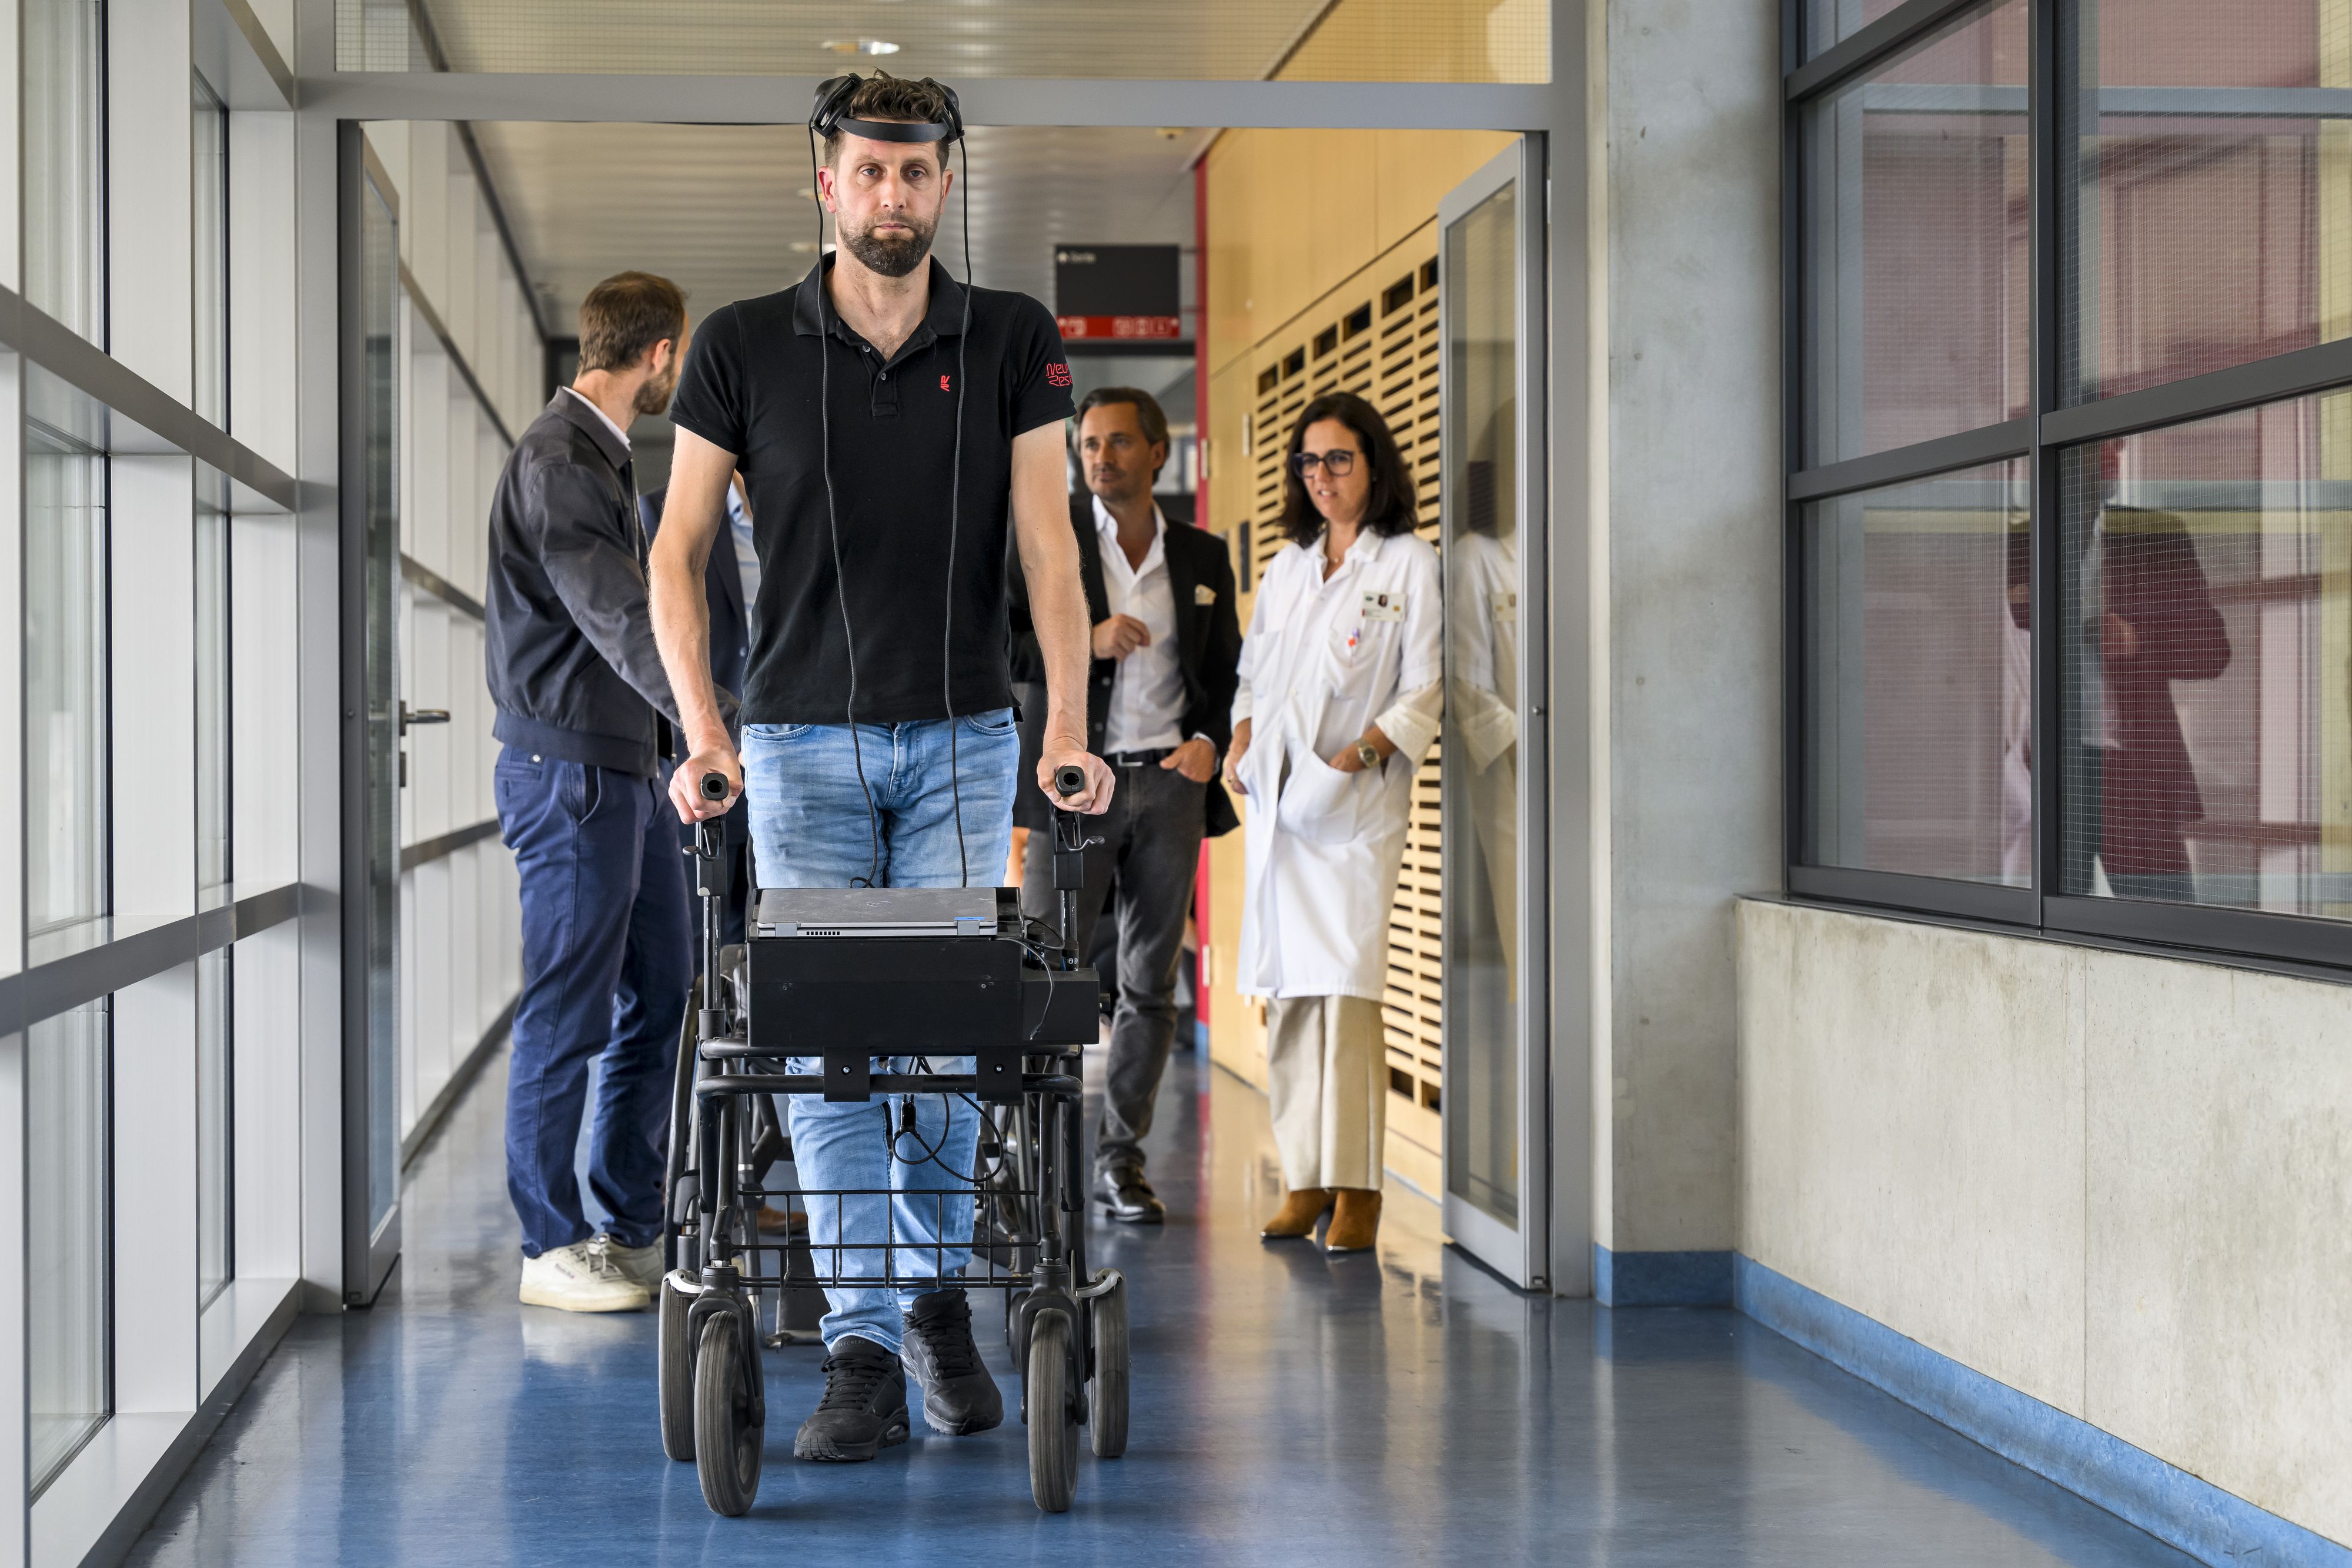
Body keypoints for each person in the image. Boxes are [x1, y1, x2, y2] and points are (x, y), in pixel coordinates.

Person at [648, 72, 1111, 1464]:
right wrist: (703, 733)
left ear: (943, 185)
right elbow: (672, 551)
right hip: (795, 746)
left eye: (915, 174)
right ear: (824, 183)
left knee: (948, 1037)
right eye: (868, 172)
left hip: (968, 738)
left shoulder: (1012, 338)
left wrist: (1070, 730)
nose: (892, 196)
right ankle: (858, 1339)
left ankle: (926, 1306)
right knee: (829, 1045)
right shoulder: (740, 345)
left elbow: (1048, 551)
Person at [486, 270, 707, 1313]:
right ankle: (547, 1243)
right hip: (570, 771)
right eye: (680, 358)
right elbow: (618, 615)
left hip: (629, 772)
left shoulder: (601, 457)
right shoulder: (561, 458)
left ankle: (628, 1221)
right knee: (568, 1007)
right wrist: (709, 722)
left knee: (662, 988)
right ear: (662, 353)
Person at [1008, 387, 1241, 1224]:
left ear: (1157, 454)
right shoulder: (1050, 540)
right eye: (1089, 444)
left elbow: (1227, 673)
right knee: (1042, 977)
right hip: (1075, 789)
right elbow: (994, 636)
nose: (1098, 457)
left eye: (1116, 443)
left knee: (1150, 985)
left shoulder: (1205, 557)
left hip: (1170, 789)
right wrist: (1085, 638)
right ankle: (1030, 1166)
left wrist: (1210, 745)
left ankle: (1120, 1160)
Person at [1223, 391, 1439, 1258]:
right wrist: (1239, 735)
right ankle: (1305, 1175)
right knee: (1292, 997)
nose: (1323, 477)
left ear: (1374, 466)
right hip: (1279, 807)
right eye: (1309, 463)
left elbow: (1425, 683)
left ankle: (1360, 1190)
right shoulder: (1287, 566)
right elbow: (1253, 675)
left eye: (1339, 460)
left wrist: (1360, 754)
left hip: (1352, 814)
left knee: (1346, 997)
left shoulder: (1407, 564)